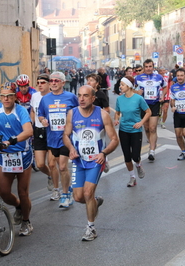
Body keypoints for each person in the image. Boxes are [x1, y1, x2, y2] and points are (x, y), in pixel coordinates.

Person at [63, 85, 119, 241]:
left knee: (88, 193)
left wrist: (103, 153)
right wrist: (71, 148)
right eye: (79, 95)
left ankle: (91, 228)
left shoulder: (102, 115)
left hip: (96, 161)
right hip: (79, 161)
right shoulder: (72, 114)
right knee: (78, 198)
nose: (81, 98)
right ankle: (95, 202)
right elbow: (66, 135)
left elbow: (115, 140)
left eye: (85, 95)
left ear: (93, 98)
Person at [0, 84, 34, 236]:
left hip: (22, 154)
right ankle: (18, 206)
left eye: (9, 95)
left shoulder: (21, 111)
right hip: (4, 155)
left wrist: (11, 141)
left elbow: (29, 131)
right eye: (3, 96)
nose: (6, 99)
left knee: (23, 193)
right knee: (3, 192)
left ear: (15, 96)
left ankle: (26, 221)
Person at [38, 71, 78, 207]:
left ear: (63, 82)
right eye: (51, 81)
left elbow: (79, 112)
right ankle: (62, 188)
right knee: (54, 165)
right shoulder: (45, 99)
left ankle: (66, 195)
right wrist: (43, 120)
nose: (53, 83)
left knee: (62, 166)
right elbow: (41, 115)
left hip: (66, 137)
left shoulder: (71, 97)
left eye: (56, 81)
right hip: (52, 137)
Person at [114, 76, 151, 187]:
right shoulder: (119, 99)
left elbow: (148, 112)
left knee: (135, 156)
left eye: (122, 85)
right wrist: (116, 119)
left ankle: (139, 166)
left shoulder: (138, 99)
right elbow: (117, 112)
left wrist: (141, 122)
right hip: (123, 130)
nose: (120, 87)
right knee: (127, 156)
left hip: (136, 130)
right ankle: (132, 178)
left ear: (129, 86)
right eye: (120, 85)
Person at [135, 59, 167, 161]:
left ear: (153, 67)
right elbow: (130, 89)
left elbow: (165, 87)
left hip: (154, 104)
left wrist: (162, 96)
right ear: (144, 68)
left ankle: (152, 150)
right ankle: (151, 142)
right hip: (142, 106)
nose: (148, 68)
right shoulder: (138, 78)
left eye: (150, 66)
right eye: (146, 67)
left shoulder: (159, 77)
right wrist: (136, 92)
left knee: (153, 128)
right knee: (147, 128)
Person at [30, 74, 57, 191]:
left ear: (49, 84)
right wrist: (31, 125)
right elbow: (32, 111)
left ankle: (56, 190)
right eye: (38, 82)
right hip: (38, 131)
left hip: (52, 132)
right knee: (40, 164)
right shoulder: (34, 96)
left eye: (43, 82)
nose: (40, 85)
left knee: (51, 164)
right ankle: (50, 176)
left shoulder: (54, 96)